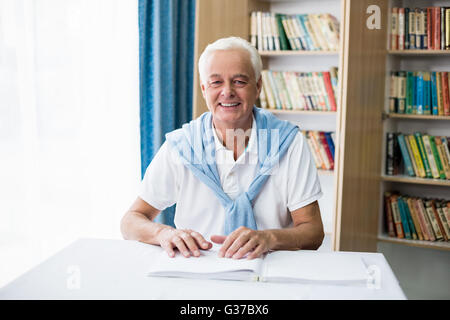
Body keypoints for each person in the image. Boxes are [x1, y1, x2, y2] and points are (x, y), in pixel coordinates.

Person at [121, 36, 324, 260]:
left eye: (239, 81)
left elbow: (313, 233)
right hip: (197, 270)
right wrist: (163, 233)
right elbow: (131, 221)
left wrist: (269, 238)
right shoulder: (181, 146)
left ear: (257, 86)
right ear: (204, 89)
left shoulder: (289, 143)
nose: (227, 92)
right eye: (216, 82)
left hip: (269, 270)